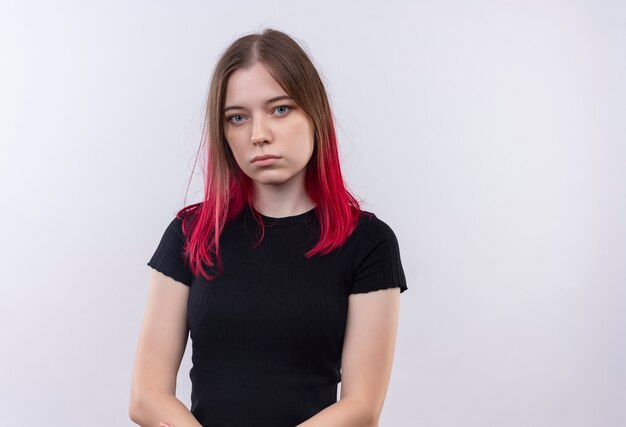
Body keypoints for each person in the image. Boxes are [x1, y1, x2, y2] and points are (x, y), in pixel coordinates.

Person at [128, 27, 408, 427]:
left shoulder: (368, 243)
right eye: (238, 118)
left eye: (280, 109)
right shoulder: (191, 232)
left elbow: (362, 408)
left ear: (315, 114)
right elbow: (146, 397)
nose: (258, 135)